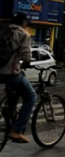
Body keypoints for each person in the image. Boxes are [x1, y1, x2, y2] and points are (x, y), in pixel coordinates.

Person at [0, 13, 35, 144]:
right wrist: (26, 62)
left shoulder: (3, 31)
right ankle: (17, 130)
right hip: (10, 73)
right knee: (31, 97)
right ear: (23, 23)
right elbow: (26, 56)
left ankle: (9, 111)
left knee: (15, 88)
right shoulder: (24, 34)